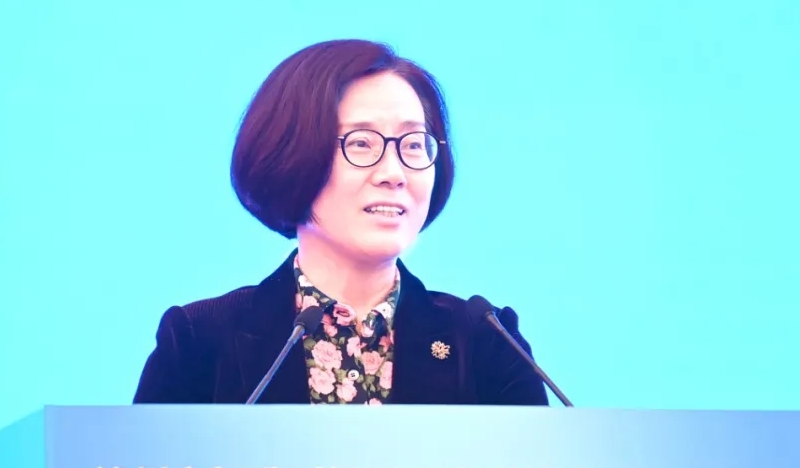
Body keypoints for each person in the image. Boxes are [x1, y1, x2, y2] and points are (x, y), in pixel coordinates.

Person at [133, 39, 549, 406]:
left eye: (413, 144)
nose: (394, 173)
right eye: (361, 143)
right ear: (289, 157)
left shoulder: (487, 344)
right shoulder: (199, 342)